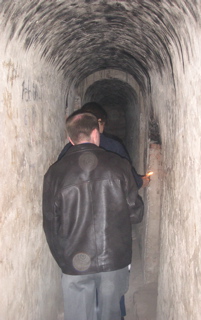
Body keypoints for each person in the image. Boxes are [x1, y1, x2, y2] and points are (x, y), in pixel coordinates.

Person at [42, 112, 144, 320]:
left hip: (75, 261)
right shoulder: (119, 165)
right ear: (96, 133)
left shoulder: (54, 173)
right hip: (113, 259)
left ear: (70, 139)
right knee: (111, 314)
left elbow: (51, 224)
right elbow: (136, 213)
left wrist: (64, 260)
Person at [58, 102, 150, 190]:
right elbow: (127, 175)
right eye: (103, 124)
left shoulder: (67, 149)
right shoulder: (113, 146)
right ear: (98, 122)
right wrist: (141, 182)